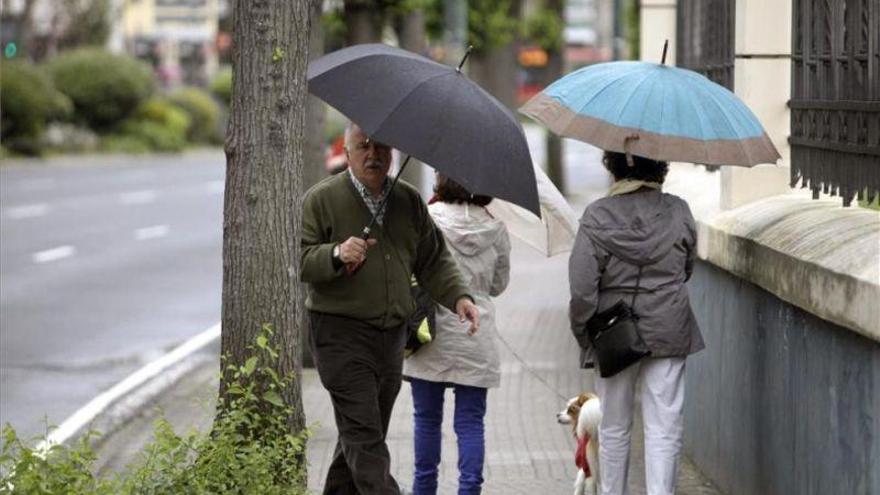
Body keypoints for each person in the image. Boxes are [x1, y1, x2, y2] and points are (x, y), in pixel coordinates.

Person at [300, 123, 481, 495]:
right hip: (340, 336)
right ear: (347, 153)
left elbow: (433, 260)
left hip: (391, 337)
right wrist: (335, 253)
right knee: (365, 439)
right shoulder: (321, 199)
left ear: (393, 152)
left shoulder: (408, 201)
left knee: (363, 434)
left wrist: (460, 297)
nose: (373, 154)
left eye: (381, 146)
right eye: (362, 146)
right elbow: (299, 258)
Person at [568, 151, 704, 495]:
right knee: (665, 426)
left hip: (613, 332)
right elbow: (687, 268)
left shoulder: (596, 215)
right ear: (660, 166)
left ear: (612, 167)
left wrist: (584, 332)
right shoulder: (679, 210)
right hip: (668, 325)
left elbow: (583, 287)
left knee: (614, 425)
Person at [403, 175, 512, 495]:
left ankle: (423, 489)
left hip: (429, 332)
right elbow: (498, 285)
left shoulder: (427, 219)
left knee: (425, 418)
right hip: (475, 333)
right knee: (470, 422)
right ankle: (469, 490)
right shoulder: (496, 228)